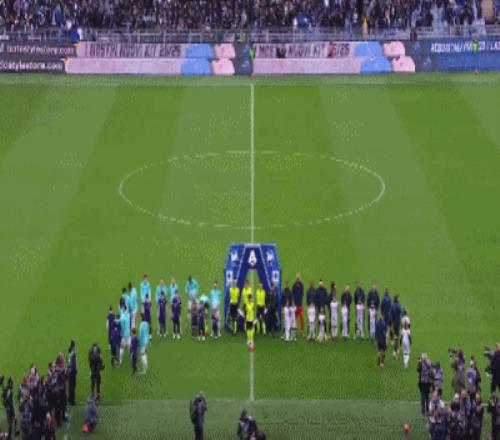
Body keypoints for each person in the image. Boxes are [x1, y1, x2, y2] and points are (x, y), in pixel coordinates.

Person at [67, 340, 77, 406]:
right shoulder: (73, 354)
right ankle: (72, 400)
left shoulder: (70, 352)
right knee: (72, 386)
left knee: (71, 385)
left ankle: (70, 398)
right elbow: (73, 364)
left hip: (70, 371)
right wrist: (75, 370)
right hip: (72, 372)